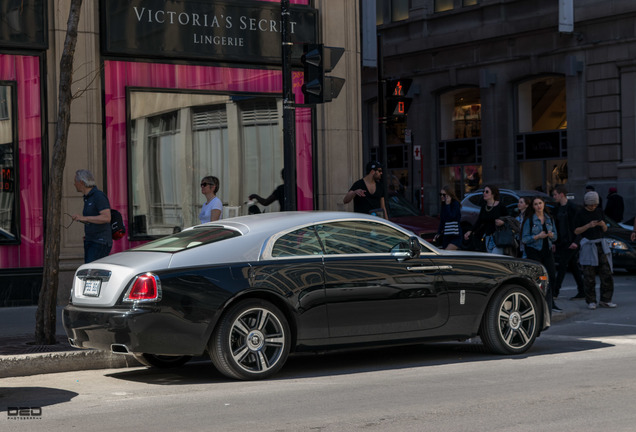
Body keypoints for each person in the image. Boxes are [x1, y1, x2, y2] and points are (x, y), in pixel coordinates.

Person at [574, 191, 616, 310]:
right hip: (588, 245)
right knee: (589, 275)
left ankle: (606, 299)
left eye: (594, 204)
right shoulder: (580, 213)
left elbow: (605, 229)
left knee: (607, 273)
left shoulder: (599, 211)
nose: (592, 207)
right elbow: (576, 231)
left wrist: (602, 224)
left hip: (601, 244)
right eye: (590, 204)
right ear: (586, 203)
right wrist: (588, 225)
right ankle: (591, 300)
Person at [522, 195, 560, 312]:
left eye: (540, 203)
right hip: (534, 251)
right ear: (533, 207)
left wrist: (551, 236)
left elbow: (555, 237)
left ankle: (550, 302)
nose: (538, 206)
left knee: (551, 276)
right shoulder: (529, 219)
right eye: (536, 204)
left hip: (547, 250)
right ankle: (537, 302)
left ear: (544, 204)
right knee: (538, 277)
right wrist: (538, 236)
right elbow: (524, 239)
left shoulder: (549, 218)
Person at [551, 185, 586, 300]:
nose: (554, 197)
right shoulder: (556, 209)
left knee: (562, 265)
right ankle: (582, 290)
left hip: (571, 242)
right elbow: (555, 226)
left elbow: (580, 226)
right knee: (573, 266)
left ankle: (555, 292)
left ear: (561, 194)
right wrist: (555, 242)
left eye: (555, 194)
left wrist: (576, 241)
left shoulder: (573, 208)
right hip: (562, 242)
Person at [72, 169, 112, 263]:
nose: (74, 184)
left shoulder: (98, 196)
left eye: (75, 181)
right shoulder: (87, 197)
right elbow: (93, 219)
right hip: (91, 239)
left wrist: (84, 218)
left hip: (100, 242)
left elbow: (106, 217)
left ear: (81, 182)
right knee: (90, 270)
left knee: (92, 272)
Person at [463, 184, 508, 254]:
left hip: (499, 237)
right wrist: (470, 231)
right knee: (490, 258)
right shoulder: (484, 207)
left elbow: (509, 219)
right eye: (483, 191)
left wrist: (503, 222)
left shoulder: (501, 206)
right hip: (488, 237)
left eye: (487, 192)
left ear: (493, 194)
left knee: (495, 258)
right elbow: (479, 221)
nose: (484, 193)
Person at [434, 185, 462, 250]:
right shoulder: (444, 205)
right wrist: (438, 232)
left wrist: (448, 205)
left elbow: (451, 217)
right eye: (440, 194)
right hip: (446, 235)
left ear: (449, 195)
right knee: (449, 257)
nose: (441, 196)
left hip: (455, 235)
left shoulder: (455, 204)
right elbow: (442, 221)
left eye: (443, 194)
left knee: (446, 253)